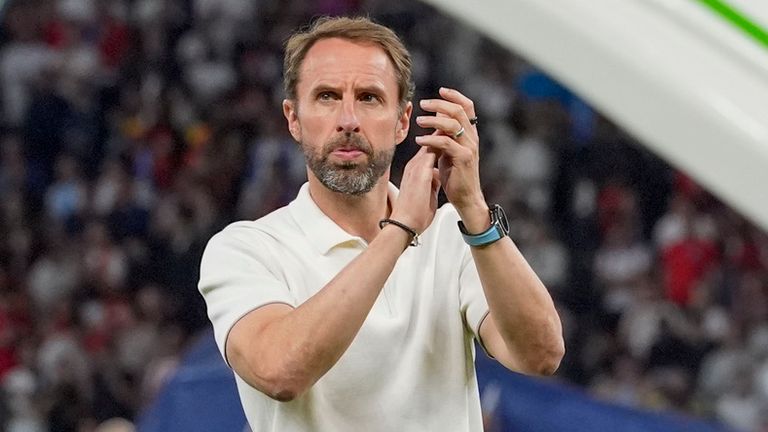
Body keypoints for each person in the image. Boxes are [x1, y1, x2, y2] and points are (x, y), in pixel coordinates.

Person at [198, 16, 564, 431]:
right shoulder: (247, 248)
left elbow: (541, 355)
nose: (348, 120)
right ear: (293, 119)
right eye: (327, 96)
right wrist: (400, 231)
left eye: (369, 97)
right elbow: (280, 371)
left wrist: (474, 210)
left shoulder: (456, 235)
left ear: (403, 122)